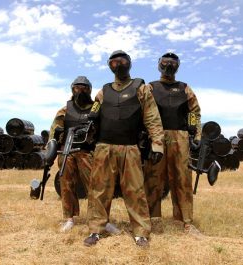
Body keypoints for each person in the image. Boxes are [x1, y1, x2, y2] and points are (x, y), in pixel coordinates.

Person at [83, 50, 164, 247]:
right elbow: (93, 118)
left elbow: (152, 118)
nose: (117, 65)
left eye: (121, 61)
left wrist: (158, 144)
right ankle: (96, 229)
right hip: (104, 147)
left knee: (135, 191)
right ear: (109, 65)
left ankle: (141, 232)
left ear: (129, 63)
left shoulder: (141, 88)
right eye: (113, 62)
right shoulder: (103, 92)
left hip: (130, 148)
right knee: (99, 190)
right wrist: (88, 135)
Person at [48, 76, 120, 234]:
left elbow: (105, 128)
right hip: (67, 152)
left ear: (90, 90)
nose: (81, 91)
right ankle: (69, 218)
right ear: (72, 89)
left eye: (85, 88)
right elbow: (54, 130)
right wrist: (53, 145)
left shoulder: (96, 109)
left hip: (88, 152)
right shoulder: (65, 110)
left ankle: (102, 219)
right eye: (77, 88)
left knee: (95, 187)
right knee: (66, 186)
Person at [144, 52, 202, 235]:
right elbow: (143, 110)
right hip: (156, 137)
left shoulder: (185, 88)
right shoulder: (150, 87)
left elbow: (194, 112)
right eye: (165, 62)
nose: (168, 65)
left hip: (181, 136)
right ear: (159, 64)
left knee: (182, 179)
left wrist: (195, 135)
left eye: (172, 63)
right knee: (153, 178)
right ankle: (154, 220)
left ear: (178, 66)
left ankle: (185, 221)